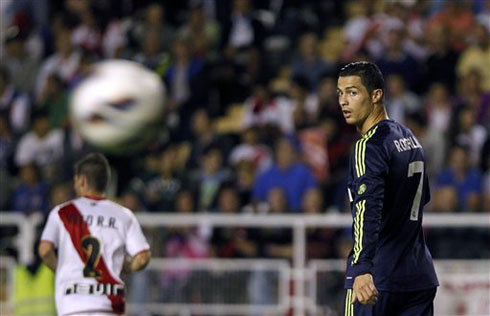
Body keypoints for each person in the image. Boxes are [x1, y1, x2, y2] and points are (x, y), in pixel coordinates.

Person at [337, 61, 438, 315]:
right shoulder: (409, 137)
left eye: (352, 92)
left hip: (377, 278)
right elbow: (423, 196)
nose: (343, 101)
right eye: (340, 93)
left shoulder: (368, 146)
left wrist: (361, 268)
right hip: (418, 275)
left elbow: (366, 209)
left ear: (376, 95)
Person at [38, 153, 151, 315]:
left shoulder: (62, 213)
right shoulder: (123, 215)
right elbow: (142, 258)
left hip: (72, 305)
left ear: (82, 180)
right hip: (109, 304)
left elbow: (45, 250)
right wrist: (126, 266)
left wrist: (60, 270)